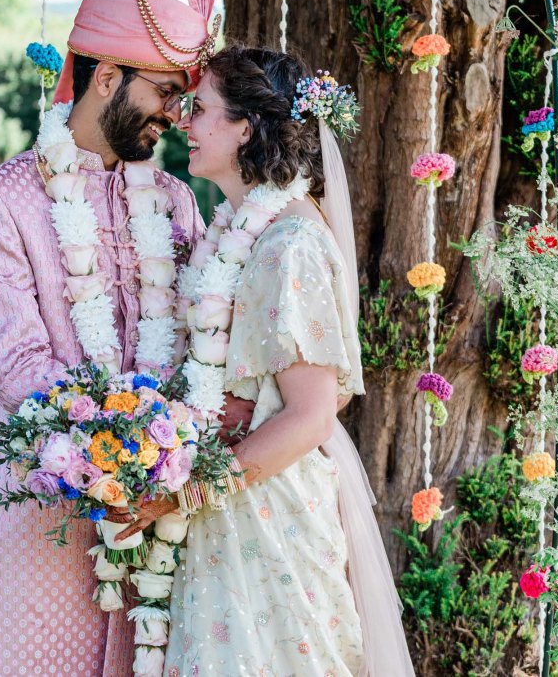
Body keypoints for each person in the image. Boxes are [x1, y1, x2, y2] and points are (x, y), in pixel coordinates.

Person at [0, 0, 220, 676]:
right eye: (165, 91)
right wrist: (121, 461)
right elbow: (18, 368)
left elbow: (204, 345)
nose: (175, 113)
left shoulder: (173, 203)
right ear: (107, 77)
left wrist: (161, 470)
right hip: (40, 504)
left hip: (161, 508)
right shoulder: (0, 203)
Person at [161, 45, 416, 676]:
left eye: (201, 110)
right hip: (230, 513)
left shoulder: (289, 243)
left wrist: (182, 495)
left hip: (270, 524)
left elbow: (311, 417)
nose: (185, 124)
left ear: (246, 127)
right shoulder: (236, 228)